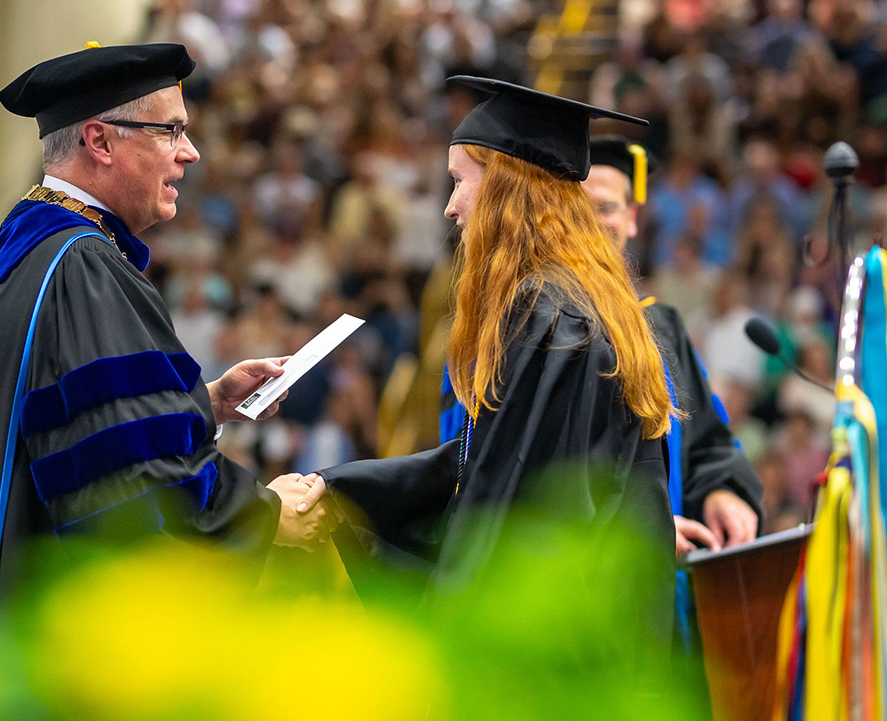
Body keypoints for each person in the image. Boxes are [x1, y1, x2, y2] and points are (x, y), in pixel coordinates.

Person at [0, 43, 329, 676]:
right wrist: (264, 512)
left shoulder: (19, 252)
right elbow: (128, 486)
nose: (191, 153)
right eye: (172, 131)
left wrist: (206, 402)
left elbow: (72, 424)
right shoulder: (85, 269)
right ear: (100, 141)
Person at [297, 78, 675, 610]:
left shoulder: (546, 315)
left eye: (458, 181)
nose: (451, 207)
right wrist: (342, 491)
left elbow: (510, 510)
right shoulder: (581, 299)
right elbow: (491, 457)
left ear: (504, 188)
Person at [584, 136, 762, 559]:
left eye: (606, 207)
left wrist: (722, 490)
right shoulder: (544, 328)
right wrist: (645, 529)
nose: (593, 223)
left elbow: (706, 439)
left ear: (631, 217)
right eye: (578, 210)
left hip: (671, 594)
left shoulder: (662, 328)